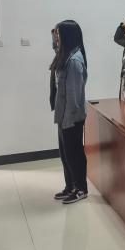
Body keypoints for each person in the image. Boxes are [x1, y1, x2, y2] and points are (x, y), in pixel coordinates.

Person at [52, 20, 89, 204]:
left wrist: (68, 120)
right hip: (63, 115)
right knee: (65, 153)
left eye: (59, 34)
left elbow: (73, 96)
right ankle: (71, 186)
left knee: (74, 153)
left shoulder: (74, 61)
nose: (56, 37)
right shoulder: (65, 55)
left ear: (67, 36)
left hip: (71, 117)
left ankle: (81, 188)